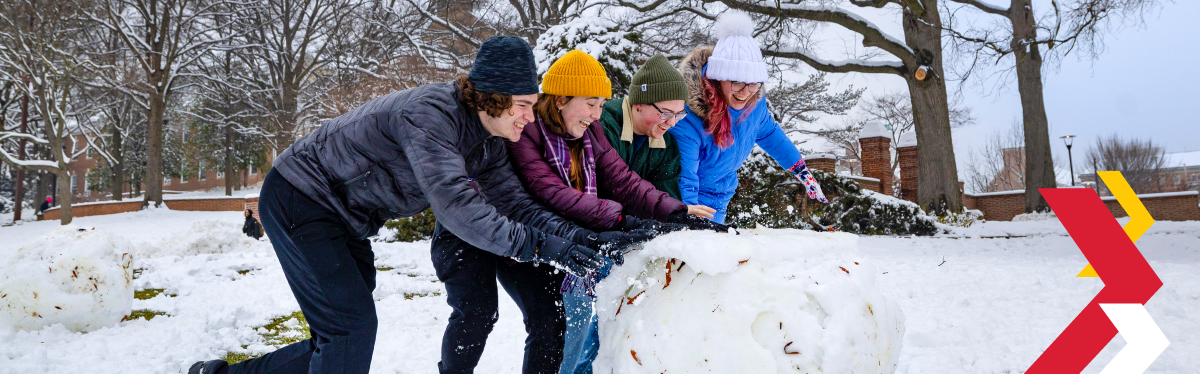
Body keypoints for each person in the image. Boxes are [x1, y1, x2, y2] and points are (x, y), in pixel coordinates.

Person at [188, 36, 652, 374]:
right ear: (492, 97)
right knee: (349, 331)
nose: (531, 118)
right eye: (524, 105)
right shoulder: (430, 116)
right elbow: (459, 209)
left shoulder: (490, 141)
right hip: (301, 197)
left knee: (340, 335)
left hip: (346, 220)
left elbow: (517, 206)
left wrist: (584, 237)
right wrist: (539, 246)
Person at [505, 50, 727, 374]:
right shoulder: (527, 129)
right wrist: (625, 221)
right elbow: (553, 193)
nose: (597, 114)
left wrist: (677, 214)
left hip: (576, 240)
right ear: (561, 99)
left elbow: (622, 180)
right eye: (591, 104)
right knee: (554, 332)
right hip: (529, 243)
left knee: (578, 329)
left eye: (600, 105)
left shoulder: (590, 129)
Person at [670, 11, 828, 224]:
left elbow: (770, 134)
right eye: (736, 82)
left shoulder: (755, 105)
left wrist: (801, 170)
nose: (745, 92)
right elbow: (684, 177)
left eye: (753, 83)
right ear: (717, 78)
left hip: (720, 195)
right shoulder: (687, 117)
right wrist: (686, 216)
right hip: (688, 199)